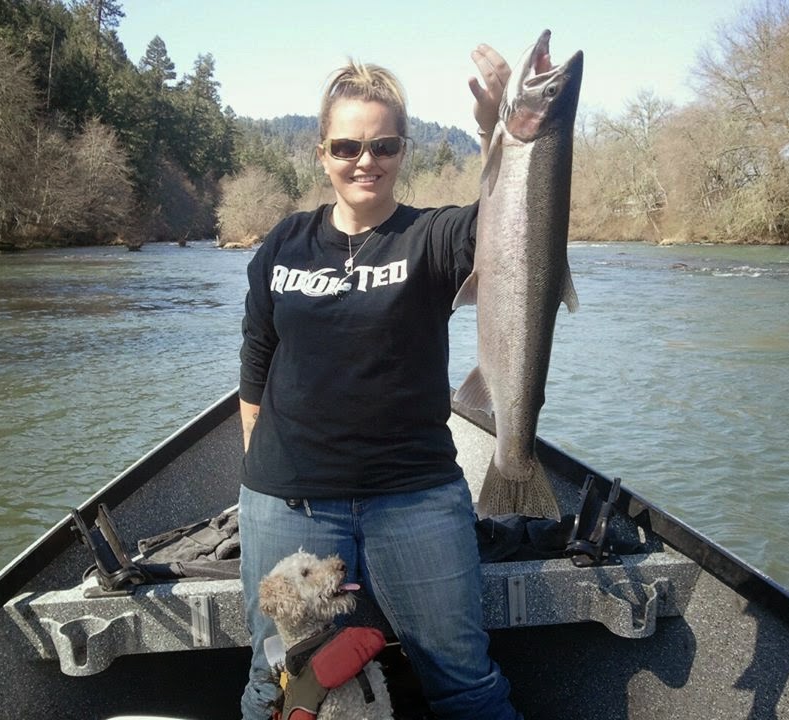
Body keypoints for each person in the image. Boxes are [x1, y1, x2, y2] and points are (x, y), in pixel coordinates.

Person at [238, 43, 521, 720]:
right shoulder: (284, 242)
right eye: (346, 147)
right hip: (290, 502)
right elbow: (256, 356)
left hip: (414, 496)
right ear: (321, 153)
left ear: (403, 151)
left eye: (384, 145)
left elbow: (515, 222)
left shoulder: (434, 236)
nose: (365, 161)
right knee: (275, 679)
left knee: (464, 679)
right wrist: (256, 471)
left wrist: (497, 130)